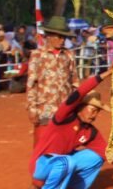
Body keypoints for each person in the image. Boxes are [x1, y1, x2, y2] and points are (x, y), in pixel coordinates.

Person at [30, 69, 113, 189]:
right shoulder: (64, 117)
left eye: (97, 112)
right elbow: (80, 92)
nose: (94, 115)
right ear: (81, 107)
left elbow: (108, 153)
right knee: (66, 161)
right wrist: (106, 74)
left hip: (61, 164)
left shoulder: (89, 131)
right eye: (92, 109)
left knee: (97, 157)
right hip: (41, 166)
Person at [26, 15, 79, 153]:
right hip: (44, 108)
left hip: (65, 108)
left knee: (65, 146)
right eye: (59, 36)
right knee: (42, 148)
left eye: (64, 37)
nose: (62, 40)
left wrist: (76, 106)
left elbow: (75, 82)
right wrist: (32, 109)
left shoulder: (69, 55)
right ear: (48, 36)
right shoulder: (37, 55)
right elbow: (31, 84)